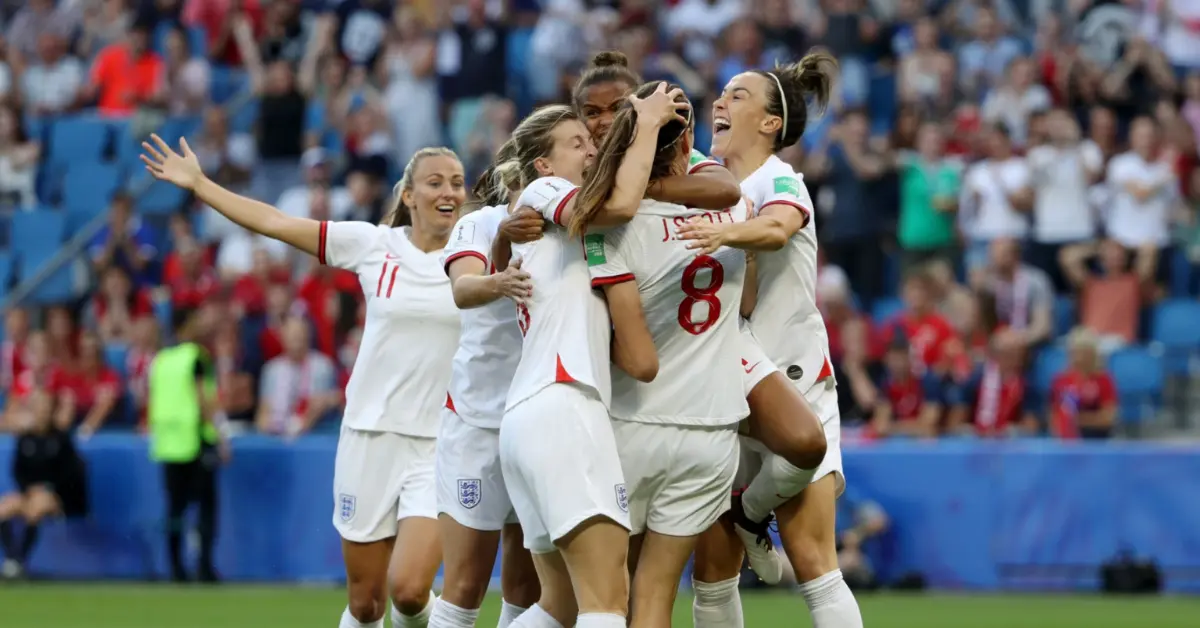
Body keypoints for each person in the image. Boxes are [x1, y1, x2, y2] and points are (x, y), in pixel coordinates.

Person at [140, 138, 465, 627]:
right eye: (436, 182)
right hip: (369, 438)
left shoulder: (477, 254)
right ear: (410, 196)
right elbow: (275, 222)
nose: (450, 192)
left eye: (458, 183)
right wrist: (201, 185)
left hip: (438, 444)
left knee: (412, 590)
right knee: (366, 603)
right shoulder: (375, 246)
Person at [677, 52, 864, 628]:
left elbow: (779, 229)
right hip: (720, 385)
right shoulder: (702, 184)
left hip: (790, 375)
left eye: (737, 95)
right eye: (722, 92)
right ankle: (749, 518)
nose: (719, 102)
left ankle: (752, 513)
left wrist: (723, 231)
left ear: (769, 123)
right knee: (712, 572)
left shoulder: (776, 178)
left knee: (813, 563)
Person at [496, 87, 685, 628]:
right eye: (576, 141)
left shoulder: (563, 233)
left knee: (559, 605)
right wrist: (646, 124)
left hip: (532, 414)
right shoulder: (546, 192)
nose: (589, 149)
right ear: (542, 162)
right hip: (564, 404)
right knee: (607, 599)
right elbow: (620, 206)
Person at [581, 82, 747, 627]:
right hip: (711, 428)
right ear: (690, 141)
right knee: (655, 593)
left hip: (630, 424)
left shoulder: (610, 226)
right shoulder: (730, 215)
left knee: (608, 596)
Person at [429, 143, 541, 628]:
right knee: (465, 588)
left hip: (536, 421)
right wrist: (502, 281)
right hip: (477, 424)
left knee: (526, 589)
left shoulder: (572, 226)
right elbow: (463, 287)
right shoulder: (481, 223)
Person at [147, 305, 229, 582]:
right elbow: (202, 398)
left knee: (174, 509)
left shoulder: (160, 361)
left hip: (168, 444)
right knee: (206, 507)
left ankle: (175, 569)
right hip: (194, 441)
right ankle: (204, 568)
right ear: (186, 325)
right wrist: (221, 435)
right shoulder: (195, 357)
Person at [0, 390, 87, 580]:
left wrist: (48, 488)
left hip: (57, 496)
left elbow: (70, 473)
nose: (42, 412)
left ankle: (20, 559)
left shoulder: (61, 439)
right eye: (37, 408)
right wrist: (28, 489)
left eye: (45, 408)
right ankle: (12, 559)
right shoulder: (25, 438)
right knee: (4, 507)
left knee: (36, 508)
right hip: (29, 493)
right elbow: (18, 470)